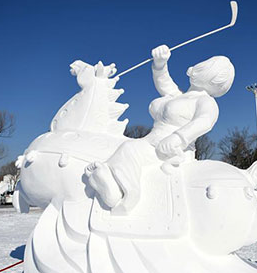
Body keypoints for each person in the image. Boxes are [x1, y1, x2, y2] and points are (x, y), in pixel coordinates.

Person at [86, 45, 235, 213]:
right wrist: (160, 64)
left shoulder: (205, 102)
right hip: (150, 142)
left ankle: (128, 195)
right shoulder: (179, 95)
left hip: (169, 150)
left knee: (129, 150)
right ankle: (110, 182)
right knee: (125, 147)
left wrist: (178, 138)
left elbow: (205, 121)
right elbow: (164, 83)